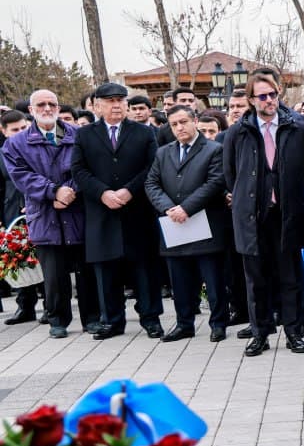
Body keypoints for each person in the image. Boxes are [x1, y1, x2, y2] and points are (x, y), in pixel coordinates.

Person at [223, 70, 304, 357]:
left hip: (286, 212)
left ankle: (293, 333)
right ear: (251, 99)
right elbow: (231, 174)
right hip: (252, 214)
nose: (269, 100)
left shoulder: (295, 126)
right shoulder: (239, 131)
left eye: (273, 94)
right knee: (257, 279)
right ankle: (260, 333)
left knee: (291, 277)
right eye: (262, 96)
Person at [2, 92, 102, 337]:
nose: (47, 108)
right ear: (31, 108)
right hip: (45, 214)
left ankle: (92, 318)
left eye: (51, 104)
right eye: (41, 104)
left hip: (78, 211)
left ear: (58, 107)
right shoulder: (16, 143)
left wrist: (69, 192)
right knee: (54, 274)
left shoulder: (78, 134)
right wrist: (53, 192)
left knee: (86, 271)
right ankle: (58, 320)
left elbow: (87, 168)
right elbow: (22, 176)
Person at [72, 82, 165, 340]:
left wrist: (129, 190)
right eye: (110, 101)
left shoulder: (144, 133)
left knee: (144, 268)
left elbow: (152, 167)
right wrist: (102, 192)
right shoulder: (85, 134)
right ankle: (112, 320)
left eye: (120, 101)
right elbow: (78, 171)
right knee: (106, 269)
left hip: (136, 210)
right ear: (97, 105)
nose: (116, 105)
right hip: (102, 211)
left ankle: (151, 318)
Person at [144, 106, 231, 342]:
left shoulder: (214, 149)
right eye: (174, 124)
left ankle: (218, 323)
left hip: (205, 225)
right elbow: (151, 183)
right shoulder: (163, 153)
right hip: (174, 225)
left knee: (213, 280)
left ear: (194, 121)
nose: (179, 127)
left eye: (183, 121)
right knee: (179, 281)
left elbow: (215, 182)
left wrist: (186, 208)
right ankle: (184, 324)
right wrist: (168, 208)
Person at [0, 111, 41, 325]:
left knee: (46, 260)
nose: (20, 133)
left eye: (23, 128)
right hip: (13, 215)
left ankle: (53, 308)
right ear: (4, 132)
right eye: (14, 130)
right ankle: (25, 306)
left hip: (42, 211)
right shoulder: (1, 155)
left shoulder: (40, 149)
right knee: (20, 261)